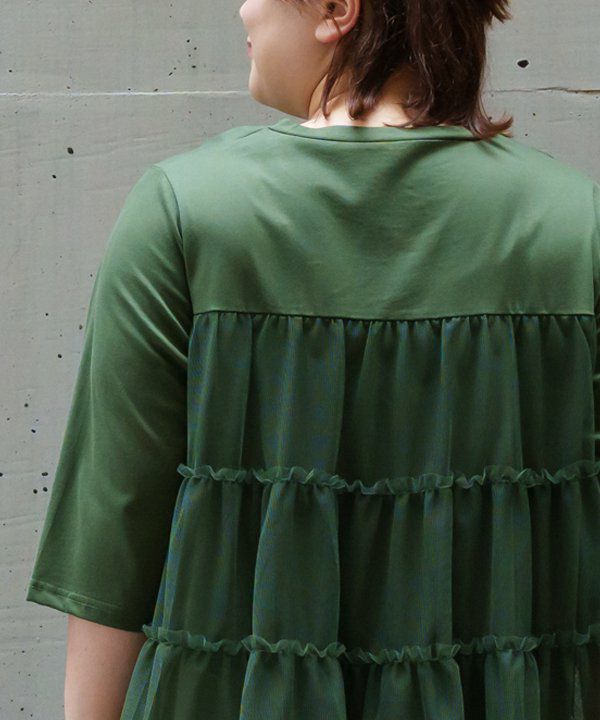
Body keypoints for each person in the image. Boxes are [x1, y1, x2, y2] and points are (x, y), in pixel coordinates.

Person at [26, 0, 600, 718]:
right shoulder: (577, 228)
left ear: (336, 9)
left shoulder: (186, 215)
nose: (244, 8)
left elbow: (114, 542)